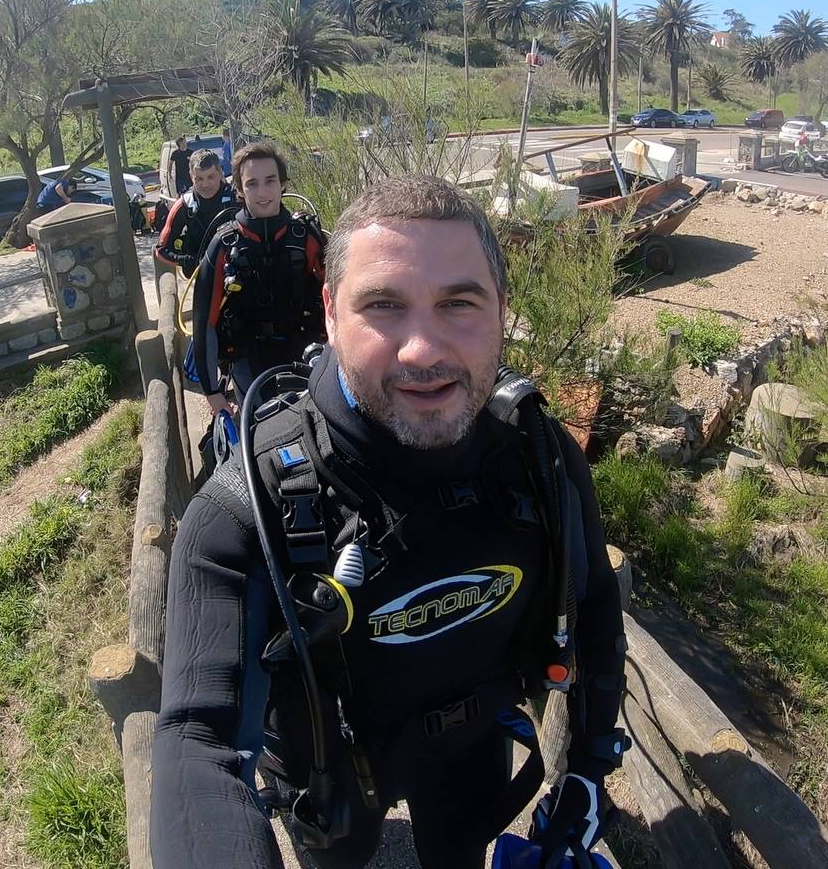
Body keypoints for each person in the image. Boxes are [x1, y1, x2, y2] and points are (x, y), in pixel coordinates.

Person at [152, 175, 628, 869]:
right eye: (383, 306)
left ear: (501, 308)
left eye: (458, 303)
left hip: (472, 746)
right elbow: (199, 744)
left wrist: (586, 766)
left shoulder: (539, 458)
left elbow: (592, 610)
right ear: (330, 312)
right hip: (329, 766)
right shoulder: (243, 511)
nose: (421, 351)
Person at [189, 141, 326, 417]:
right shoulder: (224, 244)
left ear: (283, 184)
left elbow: (341, 303)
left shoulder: (307, 237)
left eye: (270, 181)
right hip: (247, 357)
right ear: (239, 190)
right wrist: (212, 392)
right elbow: (204, 322)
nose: (262, 193)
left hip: (304, 348)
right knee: (260, 430)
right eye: (252, 184)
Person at [155, 149, 238, 277]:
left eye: (211, 177)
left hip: (235, 273)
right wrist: (187, 261)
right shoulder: (184, 204)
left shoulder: (236, 199)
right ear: (190, 175)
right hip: (200, 274)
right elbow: (161, 250)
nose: (205, 184)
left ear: (220, 172)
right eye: (199, 178)